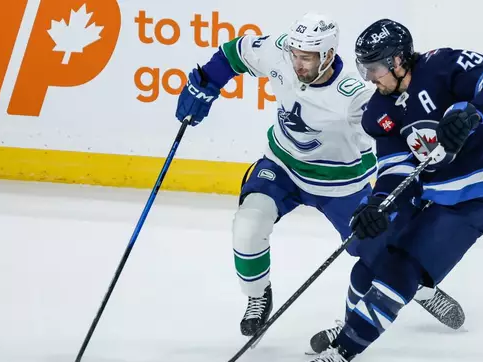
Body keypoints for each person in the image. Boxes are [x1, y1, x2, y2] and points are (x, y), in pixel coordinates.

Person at [175, 13, 465, 339]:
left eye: (307, 58)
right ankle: (257, 295)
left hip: (341, 185)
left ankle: (424, 291)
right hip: (282, 167)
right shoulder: (280, 51)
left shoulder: (355, 97)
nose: (298, 64)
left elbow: (395, 134)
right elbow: (236, 53)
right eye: (296, 55)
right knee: (248, 224)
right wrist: (204, 83)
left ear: (327, 55)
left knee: (383, 256)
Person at [297, 18, 483, 362]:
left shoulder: (443, 66)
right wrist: (376, 204)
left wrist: (473, 111)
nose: (370, 77)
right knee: (368, 257)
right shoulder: (378, 111)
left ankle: (345, 347)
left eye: (374, 67)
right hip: (422, 193)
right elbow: (395, 168)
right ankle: (357, 320)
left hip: (468, 199)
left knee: (399, 271)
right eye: (364, 68)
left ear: (399, 60)